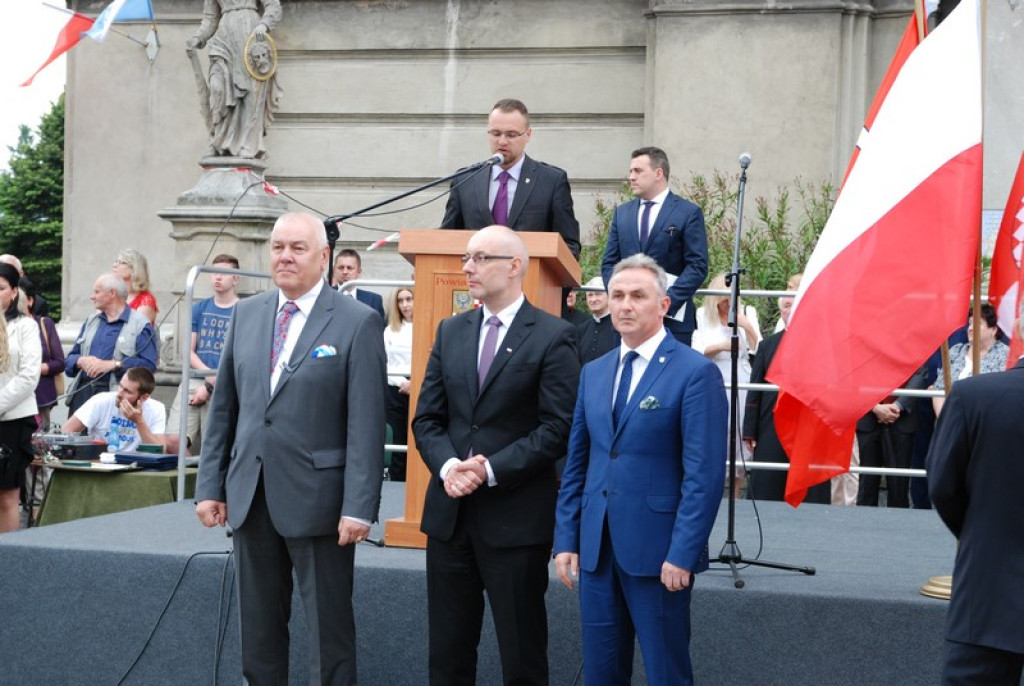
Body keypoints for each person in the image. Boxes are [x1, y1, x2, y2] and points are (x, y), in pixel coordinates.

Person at [195, 212, 386, 685]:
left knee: (329, 634)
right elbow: (225, 410)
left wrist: (359, 506)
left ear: (324, 257)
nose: (284, 256)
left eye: (298, 248)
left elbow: (366, 424)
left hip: (321, 503)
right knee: (257, 633)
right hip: (251, 495)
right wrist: (209, 486)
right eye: (278, 246)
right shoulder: (248, 313)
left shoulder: (358, 322)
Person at [412, 225, 580, 685]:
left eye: (481, 258)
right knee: (447, 656)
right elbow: (427, 419)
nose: (468, 267)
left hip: (515, 521)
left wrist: (489, 469)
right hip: (450, 517)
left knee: (521, 655)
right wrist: (450, 467)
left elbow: (558, 428)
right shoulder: (451, 331)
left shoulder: (552, 336)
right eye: (467, 258)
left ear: (514, 266)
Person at [553, 254, 727, 686]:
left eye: (637, 296)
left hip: (659, 554)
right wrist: (566, 539)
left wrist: (683, 552)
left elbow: (703, 477)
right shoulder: (594, 372)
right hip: (596, 550)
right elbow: (578, 463)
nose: (625, 305)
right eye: (617, 296)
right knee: (600, 673)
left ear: (664, 305)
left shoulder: (695, 373)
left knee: (666, 672)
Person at [926, 308, 1024, 685]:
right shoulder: (973, 396)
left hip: (987, 590)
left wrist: (979, 529)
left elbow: (941, 485)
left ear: (1016, 331)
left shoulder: (973, 396)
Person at [440, 98, 581, 259]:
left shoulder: (551, 181)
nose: (502, 141)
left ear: (528, 135)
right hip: (475, 280)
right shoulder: (465, 180)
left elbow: (569, 247)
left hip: (529, 280)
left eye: (511, 134)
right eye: (496, 133)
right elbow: (447, 239)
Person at [601, 146, 709, 346]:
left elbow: (697, 266)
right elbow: (609, 263)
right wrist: (619, 297)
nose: (631, 177)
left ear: (658, 173)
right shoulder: (622, 213)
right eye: (631, 171)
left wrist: (665, 303)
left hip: (671, 321)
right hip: (628, 321)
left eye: (638, 171)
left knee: (670, 377)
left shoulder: (688, 212)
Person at [742, 274, 831, 504]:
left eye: (795, 300)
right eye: (786, 303)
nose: (789, 307)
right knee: (768, 485)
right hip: (771, 425)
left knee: (810, 487)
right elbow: (755, 390)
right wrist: (750, 430)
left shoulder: (824, 344)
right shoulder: (767, 346)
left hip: (809, 426)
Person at [693, 272, 762, 494]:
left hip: (740, 377)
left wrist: (747, 326)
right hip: (715, 377)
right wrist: (722, 346)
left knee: (739, 433)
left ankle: (736, 491)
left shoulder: (748, 312)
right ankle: (715, 490)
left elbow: (759, 349)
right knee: (716, 430)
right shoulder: (703, 314)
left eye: (730, 298)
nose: (727, 303)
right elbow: (698, 350)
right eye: (722, 299)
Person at [187, 0, 283, 159]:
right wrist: (198, 37)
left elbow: (273, 5)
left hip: (250, 34)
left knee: (251, 95)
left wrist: (264, 25)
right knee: (217, 89)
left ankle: (248, 143)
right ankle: (217, 141)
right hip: (223, 39)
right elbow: (211, 18)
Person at [167, 254, 240, 453]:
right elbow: (188, 351)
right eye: (214, 272)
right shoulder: (199, 308)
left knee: (214, 447)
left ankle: (206, 483)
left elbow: (240, 357)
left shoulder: (243, 310)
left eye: (224, 273)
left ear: (236, 278)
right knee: (174, 441)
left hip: (226, 383)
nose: (217, 277)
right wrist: (208, 376)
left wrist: (211, 385)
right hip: (195, 378)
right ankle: (190, 482)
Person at [65, 273, 158, 416]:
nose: (92, 296)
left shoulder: (140, 324)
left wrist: (113, 364)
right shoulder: (91, 321)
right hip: (82, 395)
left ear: (112, 293)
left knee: (107, 439)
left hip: (115, 397)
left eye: (97, 291)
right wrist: (81, 361)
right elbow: (69, 360)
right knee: (75, 438)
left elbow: (149, 365)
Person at [0, 263, 41, 533]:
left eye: (1, 288)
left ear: (15, 292)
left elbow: (28, 376)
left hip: (12, 419)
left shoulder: (25, 326)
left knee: (6, 496)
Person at [855, 365, 929, 508]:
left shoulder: (912, 342)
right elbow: (855, 373)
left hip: (903, 419)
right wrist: (874, 406)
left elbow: (920, 374)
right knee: (866, 484)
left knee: (899, 486)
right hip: (868, 417)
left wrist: (898, 405)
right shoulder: (864, 341)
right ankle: (863, 526)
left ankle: (899, 527)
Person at [62, 368, 166, 453]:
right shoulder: (101, 400)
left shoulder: (156, 409)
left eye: (127, 391)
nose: (119, 393)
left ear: (143, 398)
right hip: (101, 463)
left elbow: (159, 451)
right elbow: (66, 431)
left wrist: (139, 422)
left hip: (137, 467)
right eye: (120, 386)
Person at [931, 303, 1009, 416]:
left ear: (993, 330)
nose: (971, 328)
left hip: (984, 422)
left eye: (977, 323)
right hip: (949, 421)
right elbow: (939, 390)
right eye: (970, 323)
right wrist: (946, 420)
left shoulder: (1004, 355)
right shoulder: (955, 351)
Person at [19, 278, 64, 428]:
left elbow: (59, 362)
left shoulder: (45, 324)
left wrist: (35, 368)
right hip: (12, 399)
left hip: (41, 399)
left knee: (39, 445)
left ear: (30, 301)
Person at [383, 287, 413, 481]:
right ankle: (397, 483)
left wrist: (415, 382)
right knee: (398, 439)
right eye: (400, 301)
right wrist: (402, 382)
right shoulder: (389, 331)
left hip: (420, 386)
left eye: (409, 299)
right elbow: (385, 363)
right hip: (395, 388)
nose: (405, 305)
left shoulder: (426, 326)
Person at [333, 249, 386, 323]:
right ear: (334, 271)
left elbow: (378, 330)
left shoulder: (374, 300)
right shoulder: (324, 296)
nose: (345, 272)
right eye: (341, 268)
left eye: (349, 268)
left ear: (359, 272)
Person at [576, 275, 619, 365]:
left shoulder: (619, 328)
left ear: (609, 295)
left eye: (598, 294)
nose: (593, 299)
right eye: (590, 295)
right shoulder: (582, 329)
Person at [113, 249, 159, 327]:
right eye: (116, 261)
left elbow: (135, 331)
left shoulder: (145, 301)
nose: (114, 265)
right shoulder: (113, 294)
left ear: (134, 269)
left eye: (122, 262)